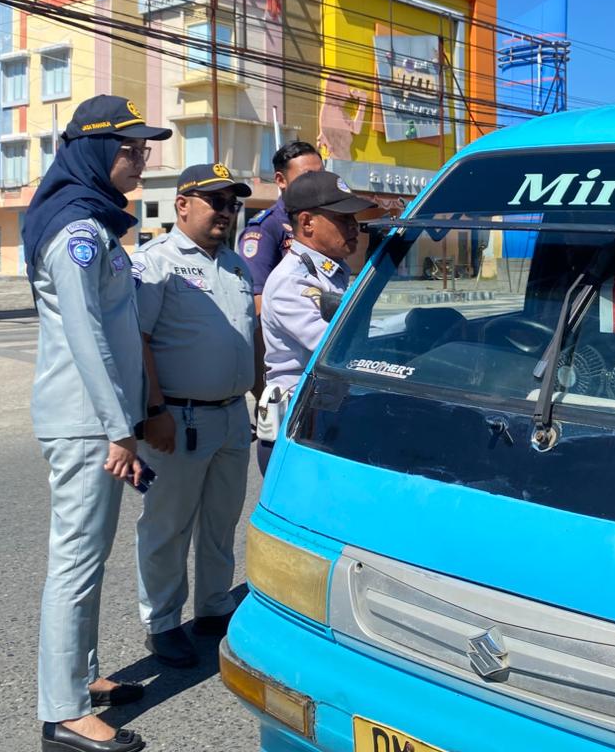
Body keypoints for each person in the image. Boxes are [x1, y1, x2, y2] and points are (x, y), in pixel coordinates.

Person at [23, 94, 170, 752]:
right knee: (75, 563)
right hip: (88, 424)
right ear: (93, 151)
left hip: (99, 421)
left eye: (143, 147)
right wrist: (120, 429)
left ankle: (81, 678)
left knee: (90, 557)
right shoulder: (77, 233)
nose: (141, 157)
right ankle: (62, 712)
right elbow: (87, 340)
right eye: (131, 148)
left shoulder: (95, 223)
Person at [131, 163, 262, 668]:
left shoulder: (234, 265)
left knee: (221, 519)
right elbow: (137, 339)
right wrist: (153, 409)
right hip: (177, 418)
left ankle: (213, 607)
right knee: (168, 525)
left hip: (231, 415)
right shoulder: (156, 263)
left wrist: (260, 394)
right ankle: (163, 622)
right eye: (217, 202)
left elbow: (250, 337)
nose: (227, 213)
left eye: (233, 204)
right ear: (182, 204)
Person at [258, 170, 372, 473]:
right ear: (307, 222)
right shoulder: (292, 281)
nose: (354, 227)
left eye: (354, 219)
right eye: (343, 219)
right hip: (299, 427)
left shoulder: (334, 273)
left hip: (328, 418)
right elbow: (336, 350)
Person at [239, 139, 323, 313]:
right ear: (280, 180)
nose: (316, 183)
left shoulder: (324, 221)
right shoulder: (265, 228)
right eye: (307, 176)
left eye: (321, 175)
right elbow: (258, 299)